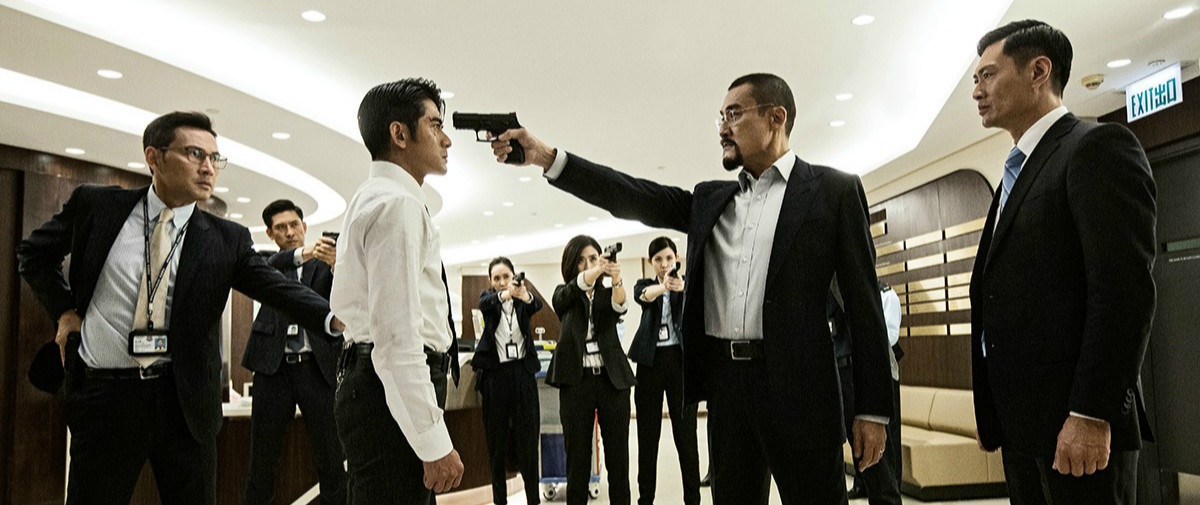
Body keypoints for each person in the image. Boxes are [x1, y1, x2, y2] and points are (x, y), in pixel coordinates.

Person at [491, 73, 893, 505]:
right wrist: (546, 157)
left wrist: (872, 409)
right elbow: (632, 194)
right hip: (728, 389)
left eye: (734, 115)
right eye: (720, 117)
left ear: (776, 118)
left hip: (803, 391)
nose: (722, 128)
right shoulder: (711, 200)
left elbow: (864, 305)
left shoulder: (833, 191)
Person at [16, 111, 342, 505]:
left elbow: (277, 288)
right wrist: (65, 311)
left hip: (185, 405)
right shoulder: (98, 207)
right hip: (107, 399)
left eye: (215, 158)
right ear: (153, 157)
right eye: (194, 154)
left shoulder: (226, 238)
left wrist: (332, 318)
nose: (209, 168)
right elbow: (34, 255)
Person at [968, 20, 1156, 505]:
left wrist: (1092, 412)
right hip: (1024, 429)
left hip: (1077, 429)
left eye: (988, 75)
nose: (977, 91)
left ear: (1038, 71)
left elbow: (1123, 292)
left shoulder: (1095, 148)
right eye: (975, 79)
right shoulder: (1014, 173)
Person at [329, 78, 464, 505]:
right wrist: (432, 441)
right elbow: (396, 336)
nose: (446, 140)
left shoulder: (376, 196)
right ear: (399, 134)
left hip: (373, 386)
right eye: (435, 125)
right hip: (385, 394)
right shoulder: (397, 204)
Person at [242, 199, 346, 505]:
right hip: (272, 368)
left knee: (331, 458)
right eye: (280, 228)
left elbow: (348, 295)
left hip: (318, 367)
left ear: (305, 226)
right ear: (270, 233)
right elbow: (269, 266)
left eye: (294, 225)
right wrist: (305, 253)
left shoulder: (325, 266)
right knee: (262, 461)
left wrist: (337, 264)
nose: (289, 232)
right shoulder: (265, 263)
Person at [546, 235, 636, 505]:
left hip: (612, 382)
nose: (588, 264)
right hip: (576, 383)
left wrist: (616, 278)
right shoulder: (565, 294)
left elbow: (621, 306)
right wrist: (596, 270)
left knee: (618, 461)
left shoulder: (607, 294)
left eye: (594, 258)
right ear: (572, 265)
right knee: (577, 463)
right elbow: (565, 297)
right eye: (581, 261)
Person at [629, 237, 700, 505]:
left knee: (686, 437)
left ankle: (693, 499)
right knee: (648, 437)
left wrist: (682, 287)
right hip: (650, 362)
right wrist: (664, 287)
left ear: (676, 258)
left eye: (668, 258)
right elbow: (643, 297)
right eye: (658, 259)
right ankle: (645, 498)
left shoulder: (687, 284)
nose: (664, 264)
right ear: (651, 262)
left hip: (679, 362)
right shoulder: (645, 285)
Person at [471, 257, 545, 505]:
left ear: (514, 276)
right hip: (496, 377)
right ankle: (499, 501)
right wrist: (505, 295)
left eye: (506, 277)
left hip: (522, 374)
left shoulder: (522, 301)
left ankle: (533, 500)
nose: (502, 282)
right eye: (497, 278)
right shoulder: (489, 300)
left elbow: (537, 305)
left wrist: (524, 295)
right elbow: (484, 303)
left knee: (528, 442)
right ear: (490, 281)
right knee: (496, 445)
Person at [832, 280, 903, 504]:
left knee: (880, 470)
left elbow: (879, 331)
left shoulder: (884, 293)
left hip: (854, 367)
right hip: (819, 368)